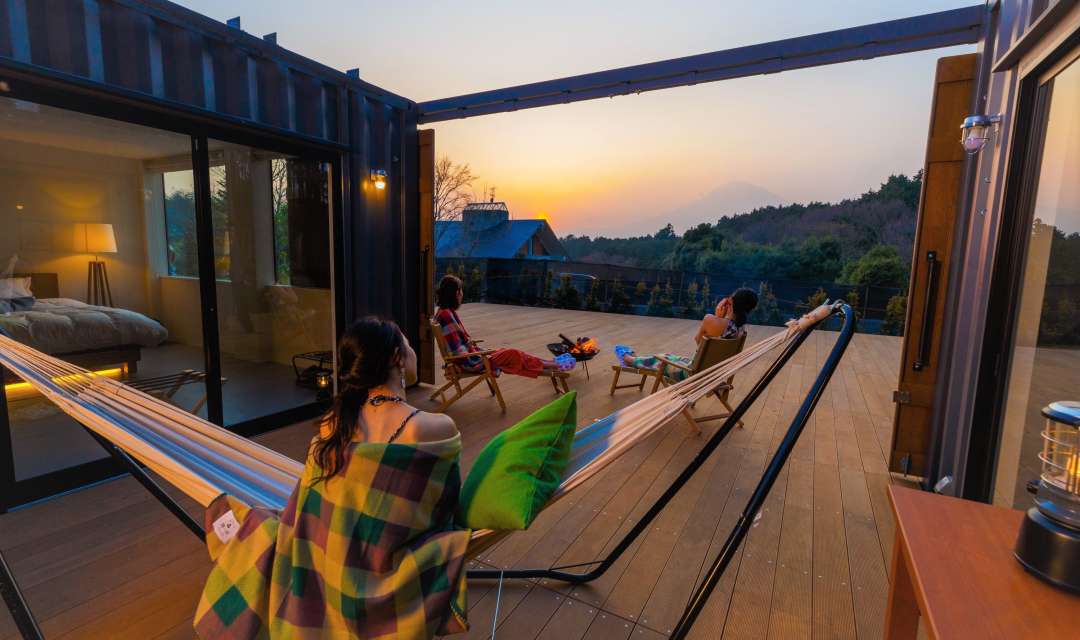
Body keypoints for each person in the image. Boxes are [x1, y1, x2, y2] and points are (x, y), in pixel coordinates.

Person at [195, 318, 471, 639]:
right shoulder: (433, 428)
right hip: (386, 571)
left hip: (324, 561)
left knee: (258, 518)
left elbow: (313, 506)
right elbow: (444, 507)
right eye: (409, 346)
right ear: (398, 357)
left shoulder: (333, 424)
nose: (413, 352)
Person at [434, 274, 575, 377]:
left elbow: (458, 345)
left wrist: (480, 351)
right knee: (513, 355)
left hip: (473, 356)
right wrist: (481, 354)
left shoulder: (444, 312)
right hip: (471, 362)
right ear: (457, 293)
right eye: (461, 291)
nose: (462, 294)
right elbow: (458, 353)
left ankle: (549, 363)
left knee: (511, 353)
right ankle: (552, 365)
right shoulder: (447, 315)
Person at [615, 287, 759, 381]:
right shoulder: (741, 330)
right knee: (669, 357)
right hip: (715, 376)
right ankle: (636, 359)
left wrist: (717, 316)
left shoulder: (711, 320)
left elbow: (698, 342)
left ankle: (629, 359)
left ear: (730, 302)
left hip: (693, 375)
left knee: (660, 359)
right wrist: (721, 318)